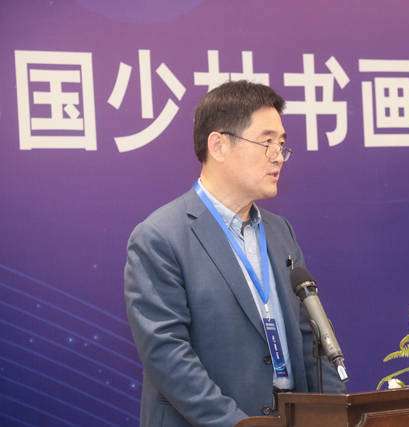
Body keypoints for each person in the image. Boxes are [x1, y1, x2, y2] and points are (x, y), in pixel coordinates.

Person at [124, 81, 346, 427]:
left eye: (282, 144)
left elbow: (310, 339)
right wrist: (238, 424)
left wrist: (336, 416)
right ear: (219, 145)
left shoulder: (280, 231)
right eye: (266, 142)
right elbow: (167, 354)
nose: (278, 156)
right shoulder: (160, 237)